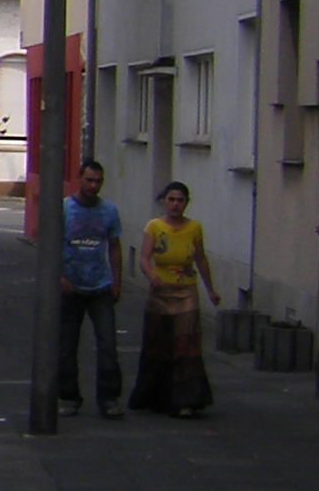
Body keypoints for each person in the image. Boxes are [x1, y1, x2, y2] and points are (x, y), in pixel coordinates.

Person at [131, 181, 217, 417]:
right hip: (160, 293)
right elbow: (144, 258)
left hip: (186, 292)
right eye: (171, 200)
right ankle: (155, 397)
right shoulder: (154, 227)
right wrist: (151, 276)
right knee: (159, 344)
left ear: (186, 202)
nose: (175, 205)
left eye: (180, 200)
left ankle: (186, 399)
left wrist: (210, 289)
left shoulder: (194, 228)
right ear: (164, 201)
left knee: (185, 345)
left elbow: (200, 259)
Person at [55, 160, 127, 418]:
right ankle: (68, 396)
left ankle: (109, 397)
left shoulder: (109, 211)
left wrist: (117, 280)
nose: (93, 186)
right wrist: (59, 275)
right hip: (71, 286)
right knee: (66, 346)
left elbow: (115, 245)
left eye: (98, 181)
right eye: (89, 180)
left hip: (100, 286)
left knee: (108, 344)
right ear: (79, 179)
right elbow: (51, 242)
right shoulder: (65, 209)